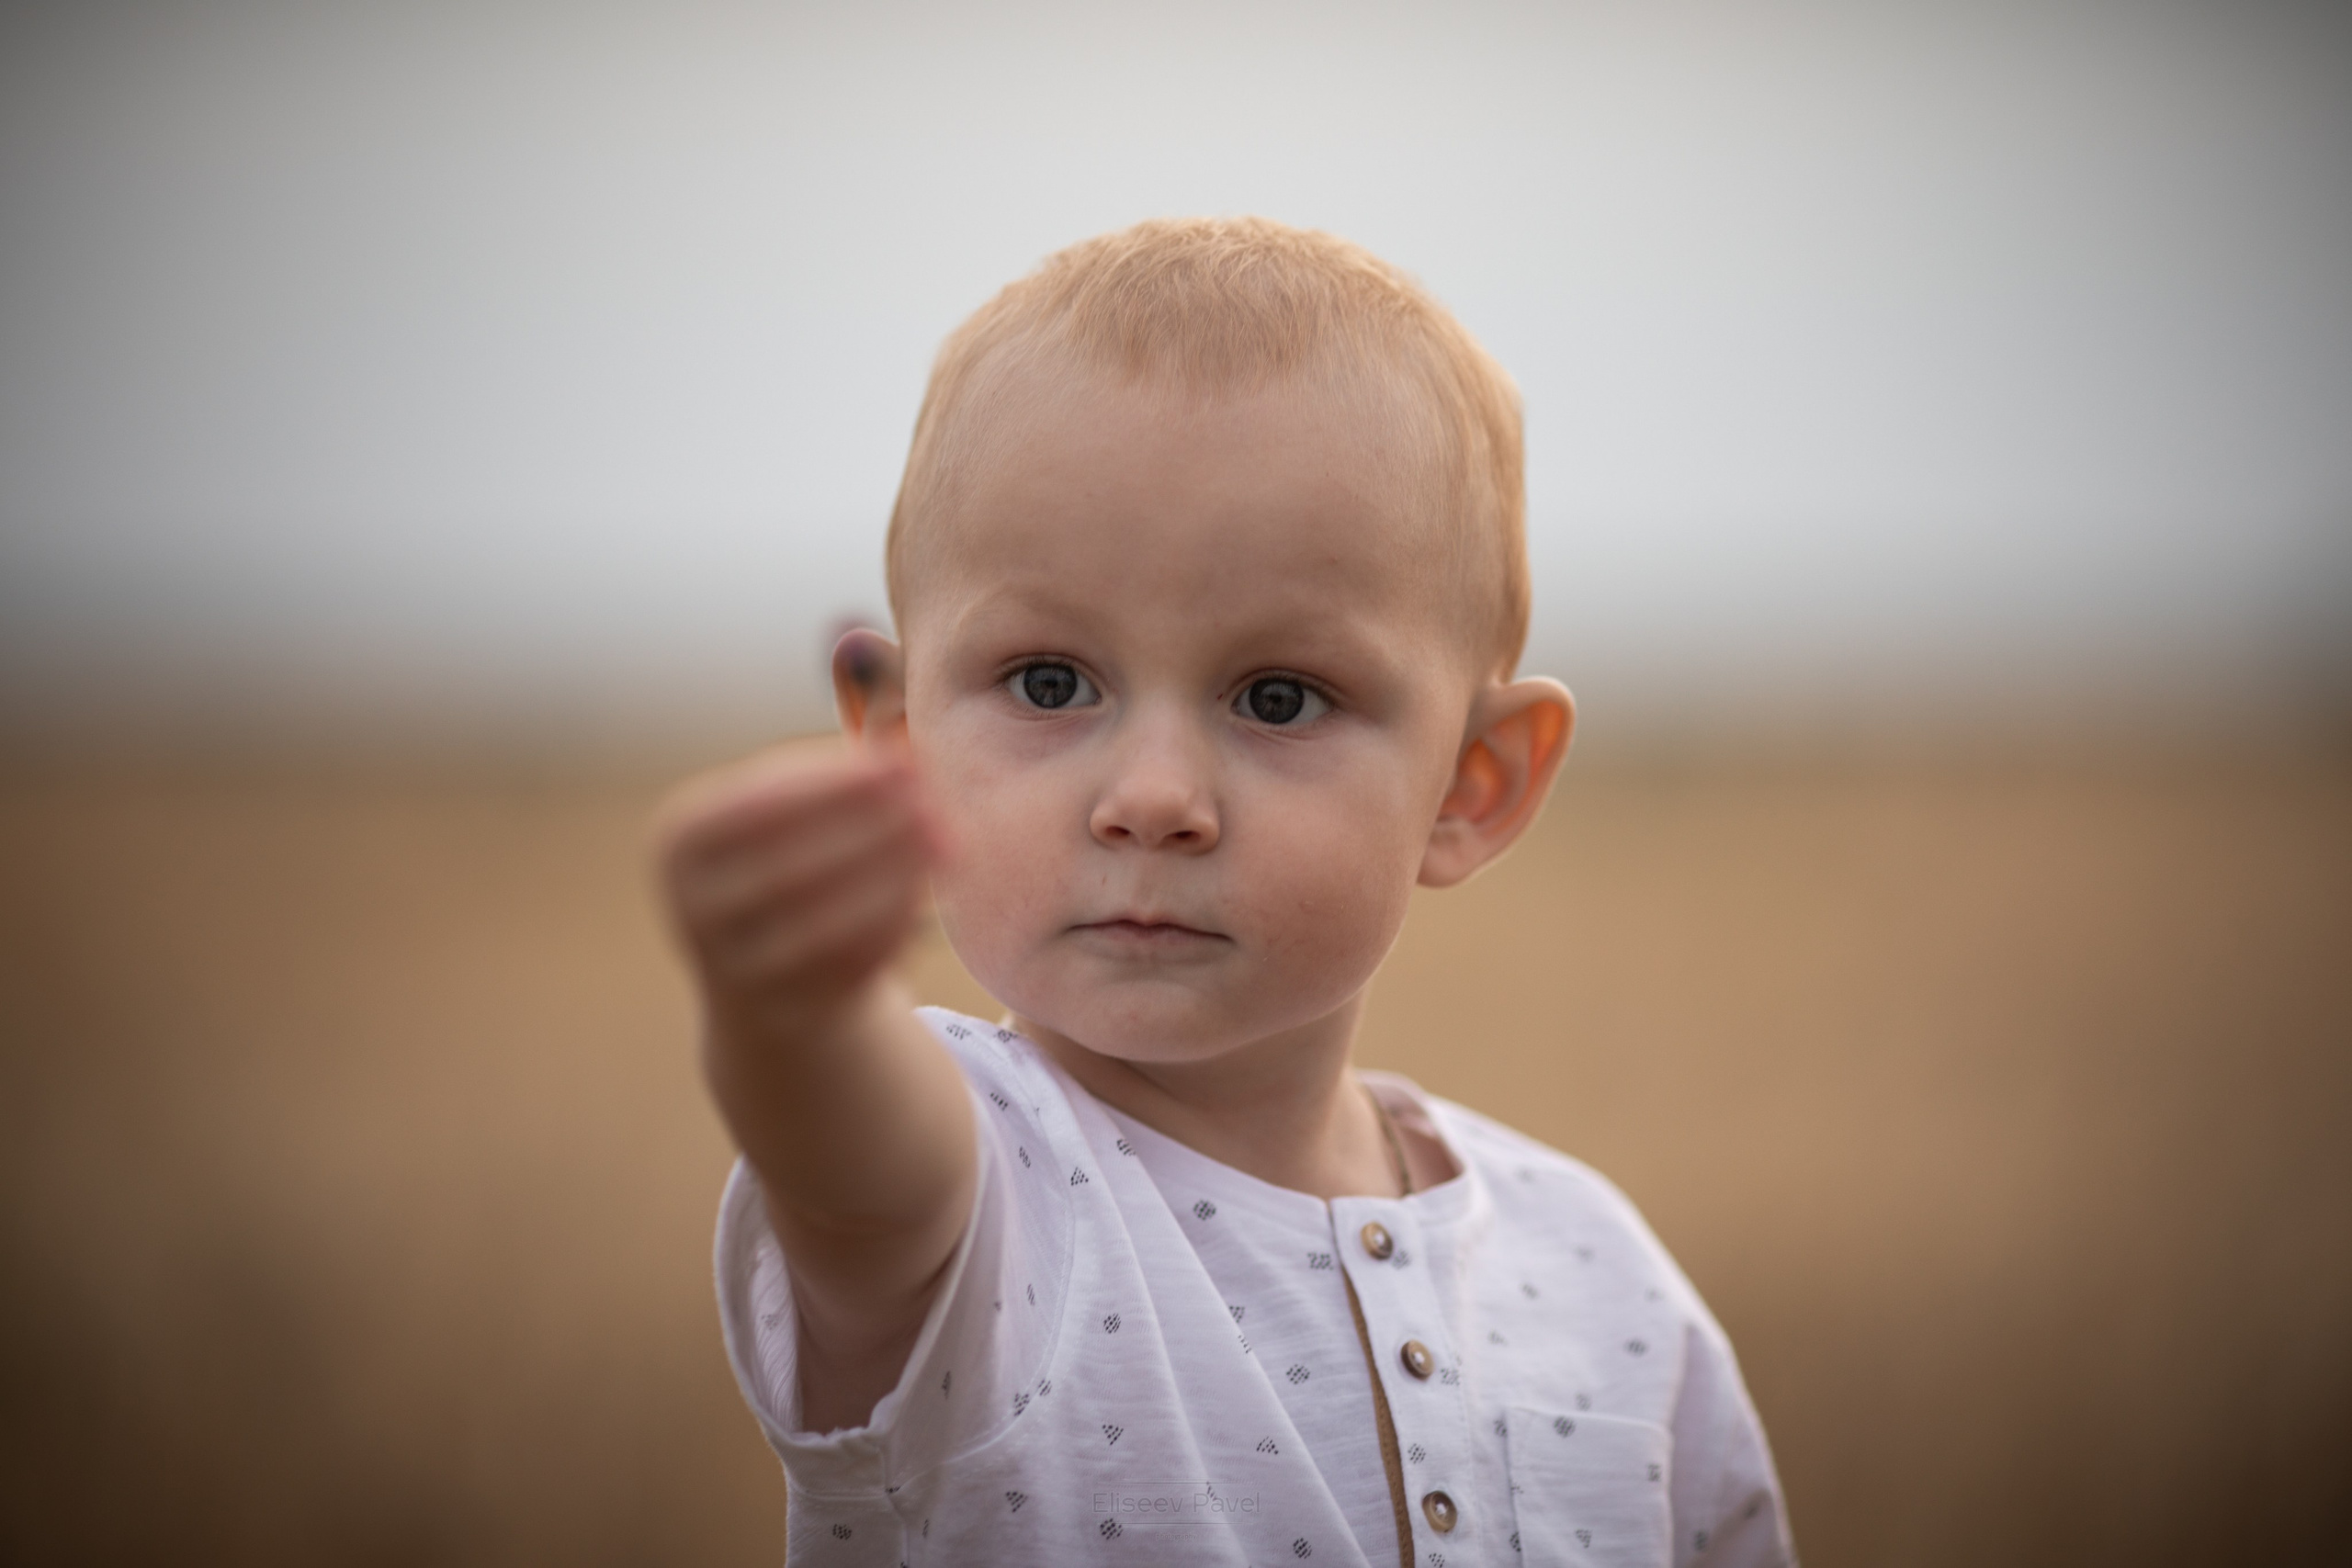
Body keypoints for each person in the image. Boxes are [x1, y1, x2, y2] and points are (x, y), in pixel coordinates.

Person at [655, 216, 1794, 1567]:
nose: (1152, 795)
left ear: (1471, 781)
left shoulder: (1604, 1283)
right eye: (1048, 682)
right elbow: (847, 1174)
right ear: (901, 744)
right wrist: (784, 1010)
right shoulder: (981, 1200)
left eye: (1277, 696)